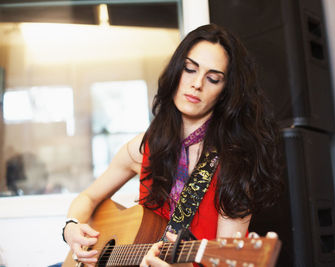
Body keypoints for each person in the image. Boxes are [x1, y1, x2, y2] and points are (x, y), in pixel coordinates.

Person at [62, 23, 283, 267]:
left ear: (225, 92)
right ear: (177, 70)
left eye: (213, 78)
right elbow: (88, 197)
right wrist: (71, 227)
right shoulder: (146, 147)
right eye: (190, 69)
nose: (197, 83)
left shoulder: (234, 165)